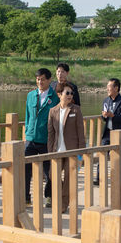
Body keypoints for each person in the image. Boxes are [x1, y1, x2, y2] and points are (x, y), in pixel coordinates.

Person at [47, 82, 86, 212]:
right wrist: (50, 152)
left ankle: (63, 204)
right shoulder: (52, 111)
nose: (70, 95)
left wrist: (81, 154)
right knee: (54, 176)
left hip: (72, 151)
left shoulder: (76, 109)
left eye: (71, 93)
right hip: (57, 151)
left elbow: (81, 132)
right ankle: (61, 198)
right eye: (67, 93)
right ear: (59, 94)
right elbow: (51, 134)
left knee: (69, 179)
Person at [24, 68, 60, 205]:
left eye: (43, 79)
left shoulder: (55, 97)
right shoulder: (31, 95)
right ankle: (25, 197)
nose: (40, 82)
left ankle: (50, 196)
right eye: (38, 79)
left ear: (49, 80)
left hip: (46, 140)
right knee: (25, 169)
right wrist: (27, 132)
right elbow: (27, 115)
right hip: (31, 139)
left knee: (49, 170)